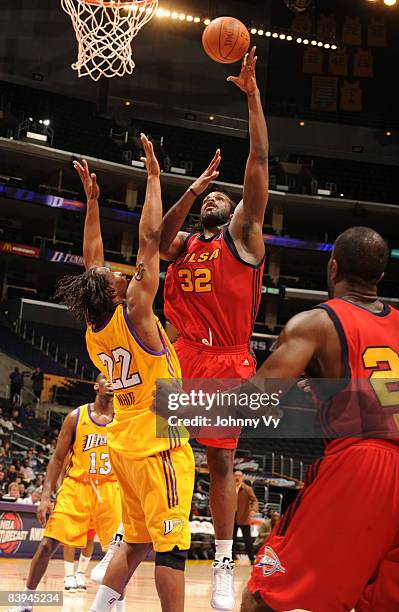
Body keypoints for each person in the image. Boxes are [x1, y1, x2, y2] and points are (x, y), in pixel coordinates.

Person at [54, 134, 194, 612]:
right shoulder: (135, 311)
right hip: (160, 442)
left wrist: (92, 204)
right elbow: (150, 240)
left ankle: (98, 610)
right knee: (172, 548)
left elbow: (90, 260)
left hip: (125, 443)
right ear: (116, 293)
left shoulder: (95, 329)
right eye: (117, 276)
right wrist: (154, 177)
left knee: (134, 544)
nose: (119, 272)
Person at [234, 227, 399, 611]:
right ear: (380, 276)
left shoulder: (316, 323)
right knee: (377, 600)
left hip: (363, 464)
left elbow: (252, 403)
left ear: (333, 268)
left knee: (266, 592)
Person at [160, 47, 269, 610]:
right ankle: (130, 540)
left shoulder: (242, 237)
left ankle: (225, 566)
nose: (219, 199)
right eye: (214, 196)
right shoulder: (184, 245)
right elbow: (155, 240)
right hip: (178, 355)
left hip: (227, 359)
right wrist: (195, 188)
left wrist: (251, 95)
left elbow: (257, 165)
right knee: (153, 449)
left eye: (223, 197)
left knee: (220, 462)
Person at [6, 373, 122, 612]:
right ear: (95, 386)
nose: (110, 383)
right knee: (48, 544)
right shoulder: (76, 417)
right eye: (105, 379)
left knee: (119, 554)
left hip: (110, 489)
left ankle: (119, 608)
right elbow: (57, 459)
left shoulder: (124, 419)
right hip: (77, 487)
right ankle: (25, 602)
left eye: (115, 379)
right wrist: (46, 497)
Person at [232, 472, 258, 565]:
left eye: (239, 476)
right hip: (232, 518)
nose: (237, 478)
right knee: (232, 539)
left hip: (244, 517)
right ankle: (231, 559)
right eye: (236, 476)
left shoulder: (247, 489)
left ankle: (252, 558)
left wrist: (254, 510)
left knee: (248, 540)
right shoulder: (229, 487)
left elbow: (254, 500)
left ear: (242, 478)